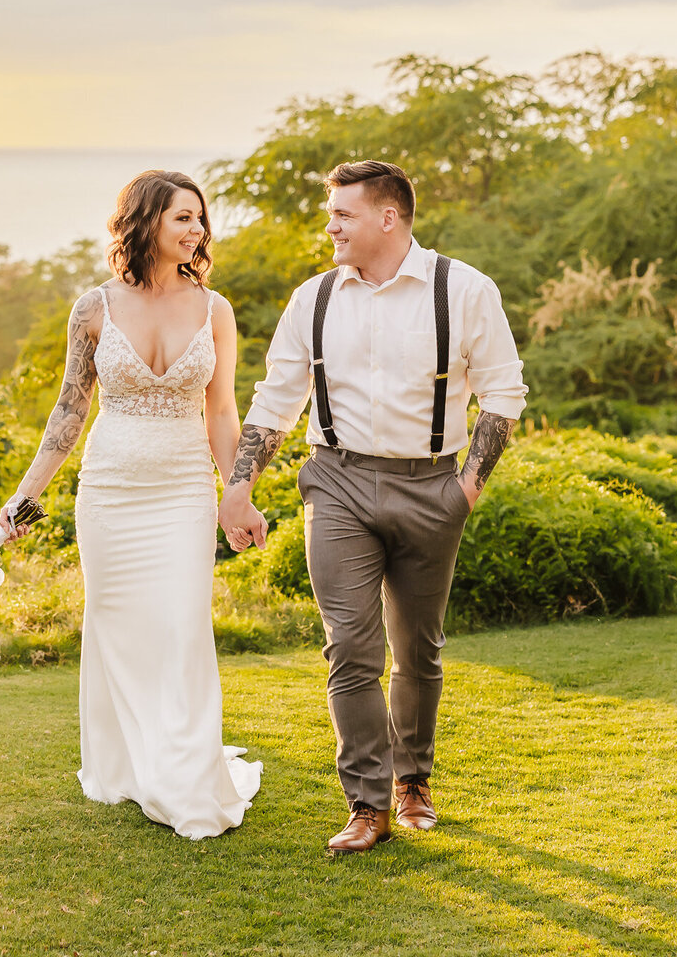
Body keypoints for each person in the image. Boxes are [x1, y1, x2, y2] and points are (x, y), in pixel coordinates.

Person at [219, 159, 526, 855]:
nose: (330, 226)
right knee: (350, 648)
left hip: (432, 485)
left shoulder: (464, 290)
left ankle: (414, 780)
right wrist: (239, 485)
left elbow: (504, 392)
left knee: (418, 649)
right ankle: (367, 802)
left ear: (387, 217)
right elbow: (276, 401)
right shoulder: (314, 298)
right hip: (337, 483)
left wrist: (466, 489)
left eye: (342, 214)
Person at [0, 169, 266, 840]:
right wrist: (23, 500)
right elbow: (69, 411)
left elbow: (223, 413)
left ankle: (185, 779)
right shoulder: (93, 309)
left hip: (181, 491)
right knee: (119, 630)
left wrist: (239, 495)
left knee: (180, 628)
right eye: (183, 218)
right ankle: (129, 765)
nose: (197, 230)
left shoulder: (216, 310)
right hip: (110, 493)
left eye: (200, 220)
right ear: (144, 221)